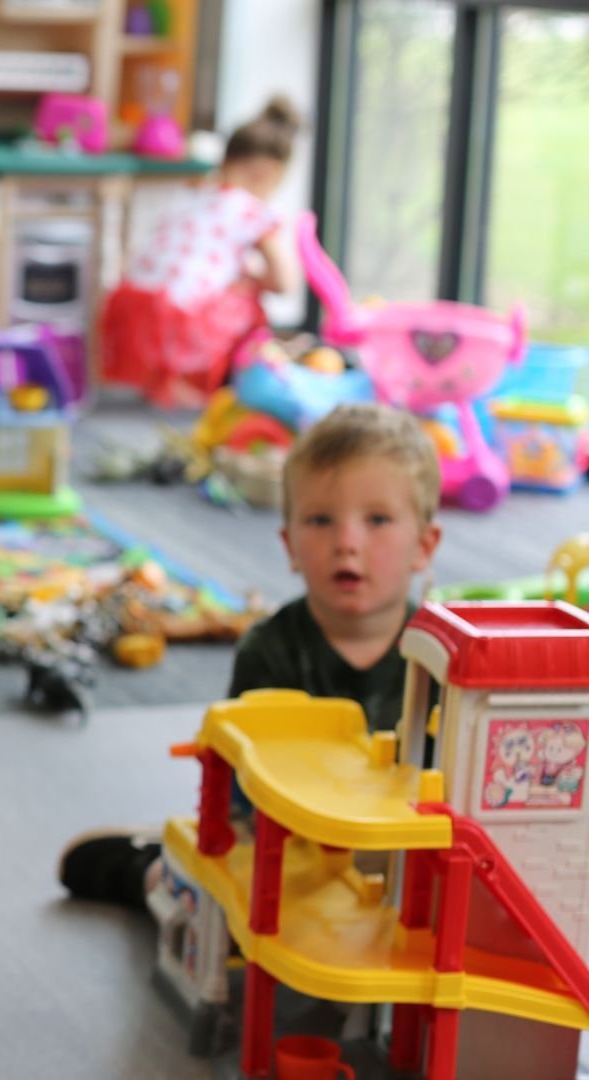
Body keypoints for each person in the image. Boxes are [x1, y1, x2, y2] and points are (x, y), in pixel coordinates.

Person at [60, 402, 443, 909]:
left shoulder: (443, 661)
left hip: (398, 859)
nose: (347, 543)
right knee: (210, 901)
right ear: (288, 545)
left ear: (424, 545)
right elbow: (247, 792)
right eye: (321, 520)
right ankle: (148, 866)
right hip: (286, 852)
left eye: (377, 520)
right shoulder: (270, 649)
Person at [100, 95, 305, 409]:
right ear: (269, 173)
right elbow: (284, 283)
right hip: (179, 317)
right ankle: (206, 383)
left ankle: (161, 379)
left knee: (219, 281)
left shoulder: (192, 192)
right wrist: (253, 278)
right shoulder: (251, 209)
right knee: (247, 294)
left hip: (129, 303)